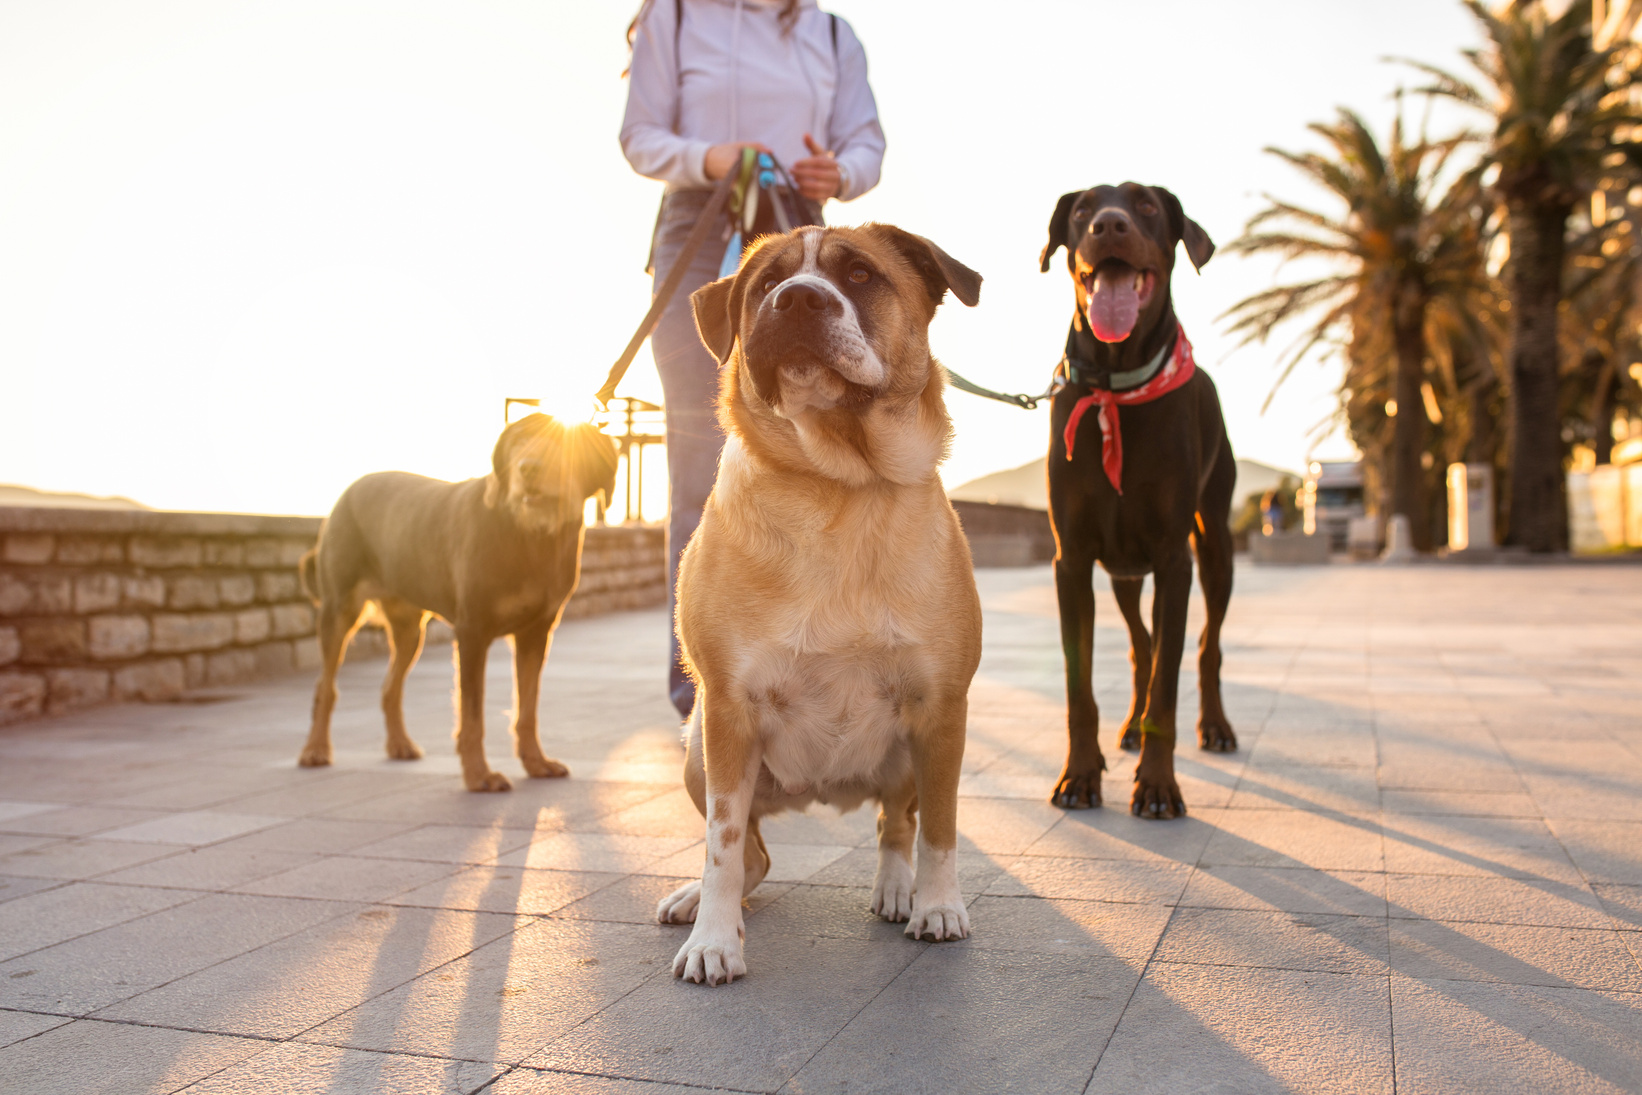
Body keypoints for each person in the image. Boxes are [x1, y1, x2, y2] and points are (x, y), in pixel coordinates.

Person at [621, 0, 886, 717]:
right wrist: (711, 157)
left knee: (811, 450)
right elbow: (639, 136)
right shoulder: (675, 15)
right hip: (700, 229)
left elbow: (867, 145)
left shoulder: (831, 34)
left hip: (802, 236)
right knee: (698, 454)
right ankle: (704, 687)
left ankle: (805, 665)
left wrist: (840, 172)